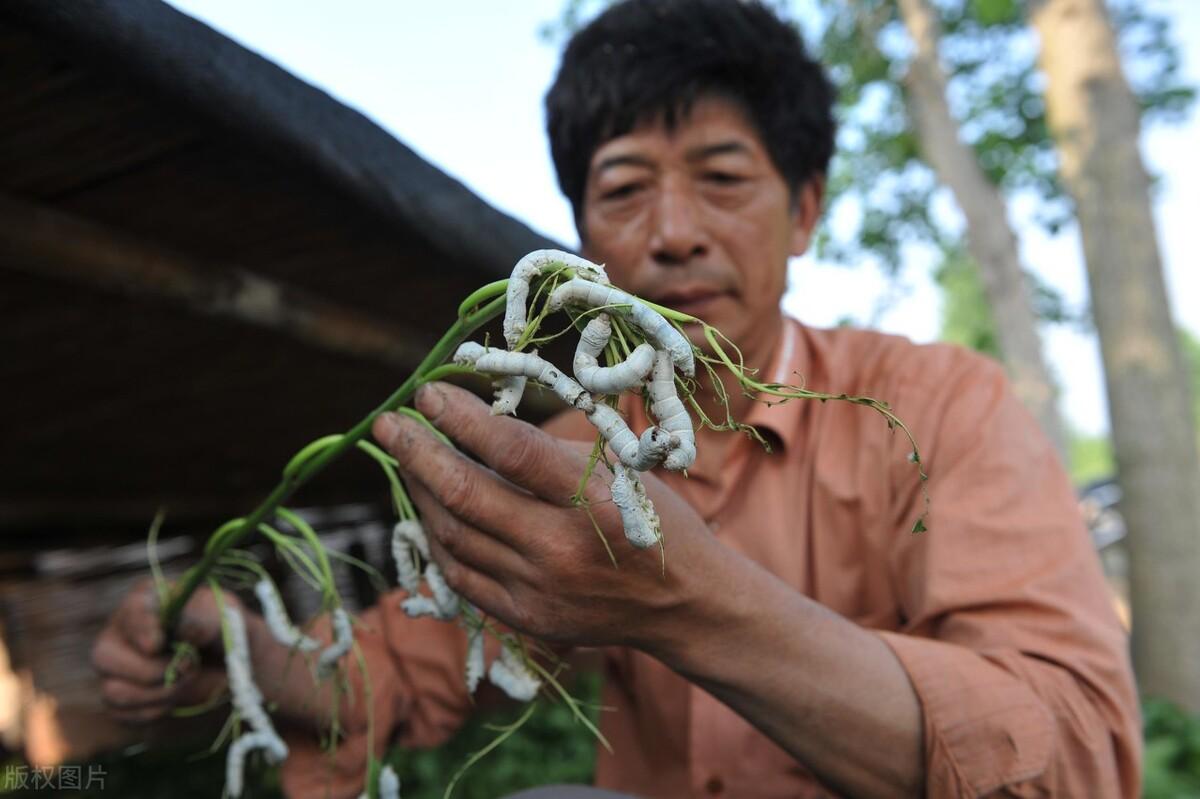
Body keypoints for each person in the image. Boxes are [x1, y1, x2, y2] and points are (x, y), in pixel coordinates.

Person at [91, 1, 1141, 796]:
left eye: (723, 178)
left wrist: (693, 608)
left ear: (807, 209)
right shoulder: (560, 451)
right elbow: (405, 676)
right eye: (625, 189)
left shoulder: (939, 403)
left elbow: (1082, 749)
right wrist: (248, 657)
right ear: (582, 241)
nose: (672, 231)